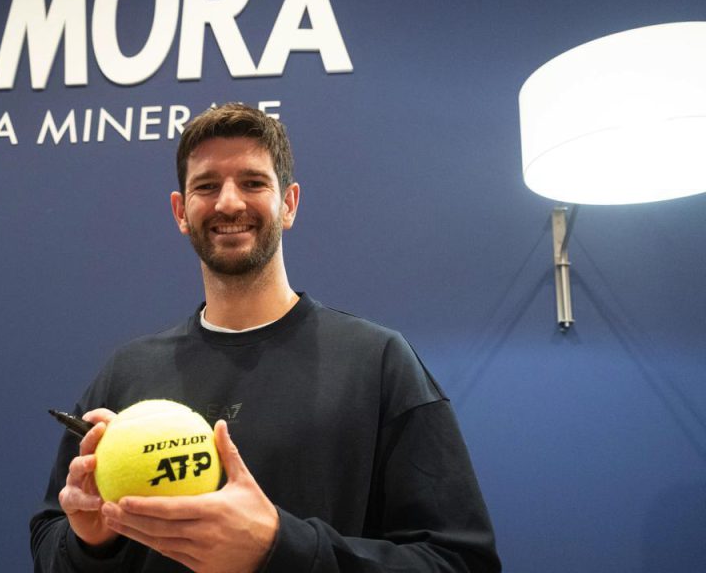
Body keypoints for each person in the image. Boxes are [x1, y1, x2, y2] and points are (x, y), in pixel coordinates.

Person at [30, 103, 501, 572]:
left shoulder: (377, 362)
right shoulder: (127, 372)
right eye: (207, 186)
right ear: (181, 211)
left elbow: (460, 561)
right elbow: (50, 546)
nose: (229, 202)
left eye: (253, 182)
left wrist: (279, 546)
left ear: (289, 203)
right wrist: (92, 541)